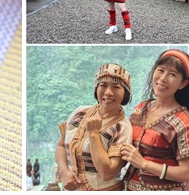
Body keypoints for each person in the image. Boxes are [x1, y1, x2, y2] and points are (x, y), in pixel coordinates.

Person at [119, 49, 189, 191]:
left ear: (182, 84)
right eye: (161, 70)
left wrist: (144, 164)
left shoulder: (185, 122)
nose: (163, 78)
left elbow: (187, 174)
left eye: (172, 74)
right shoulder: (140, 108)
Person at [56, 63, 134, 191]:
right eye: (103, 85)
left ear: (125, 94)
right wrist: (64, 172)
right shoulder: (79, 113)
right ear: (96, 89)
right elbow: (60, 146)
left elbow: (107, 173)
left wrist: (93, 134)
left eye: (116, 87)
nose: (108, 92)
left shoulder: (123, 127)